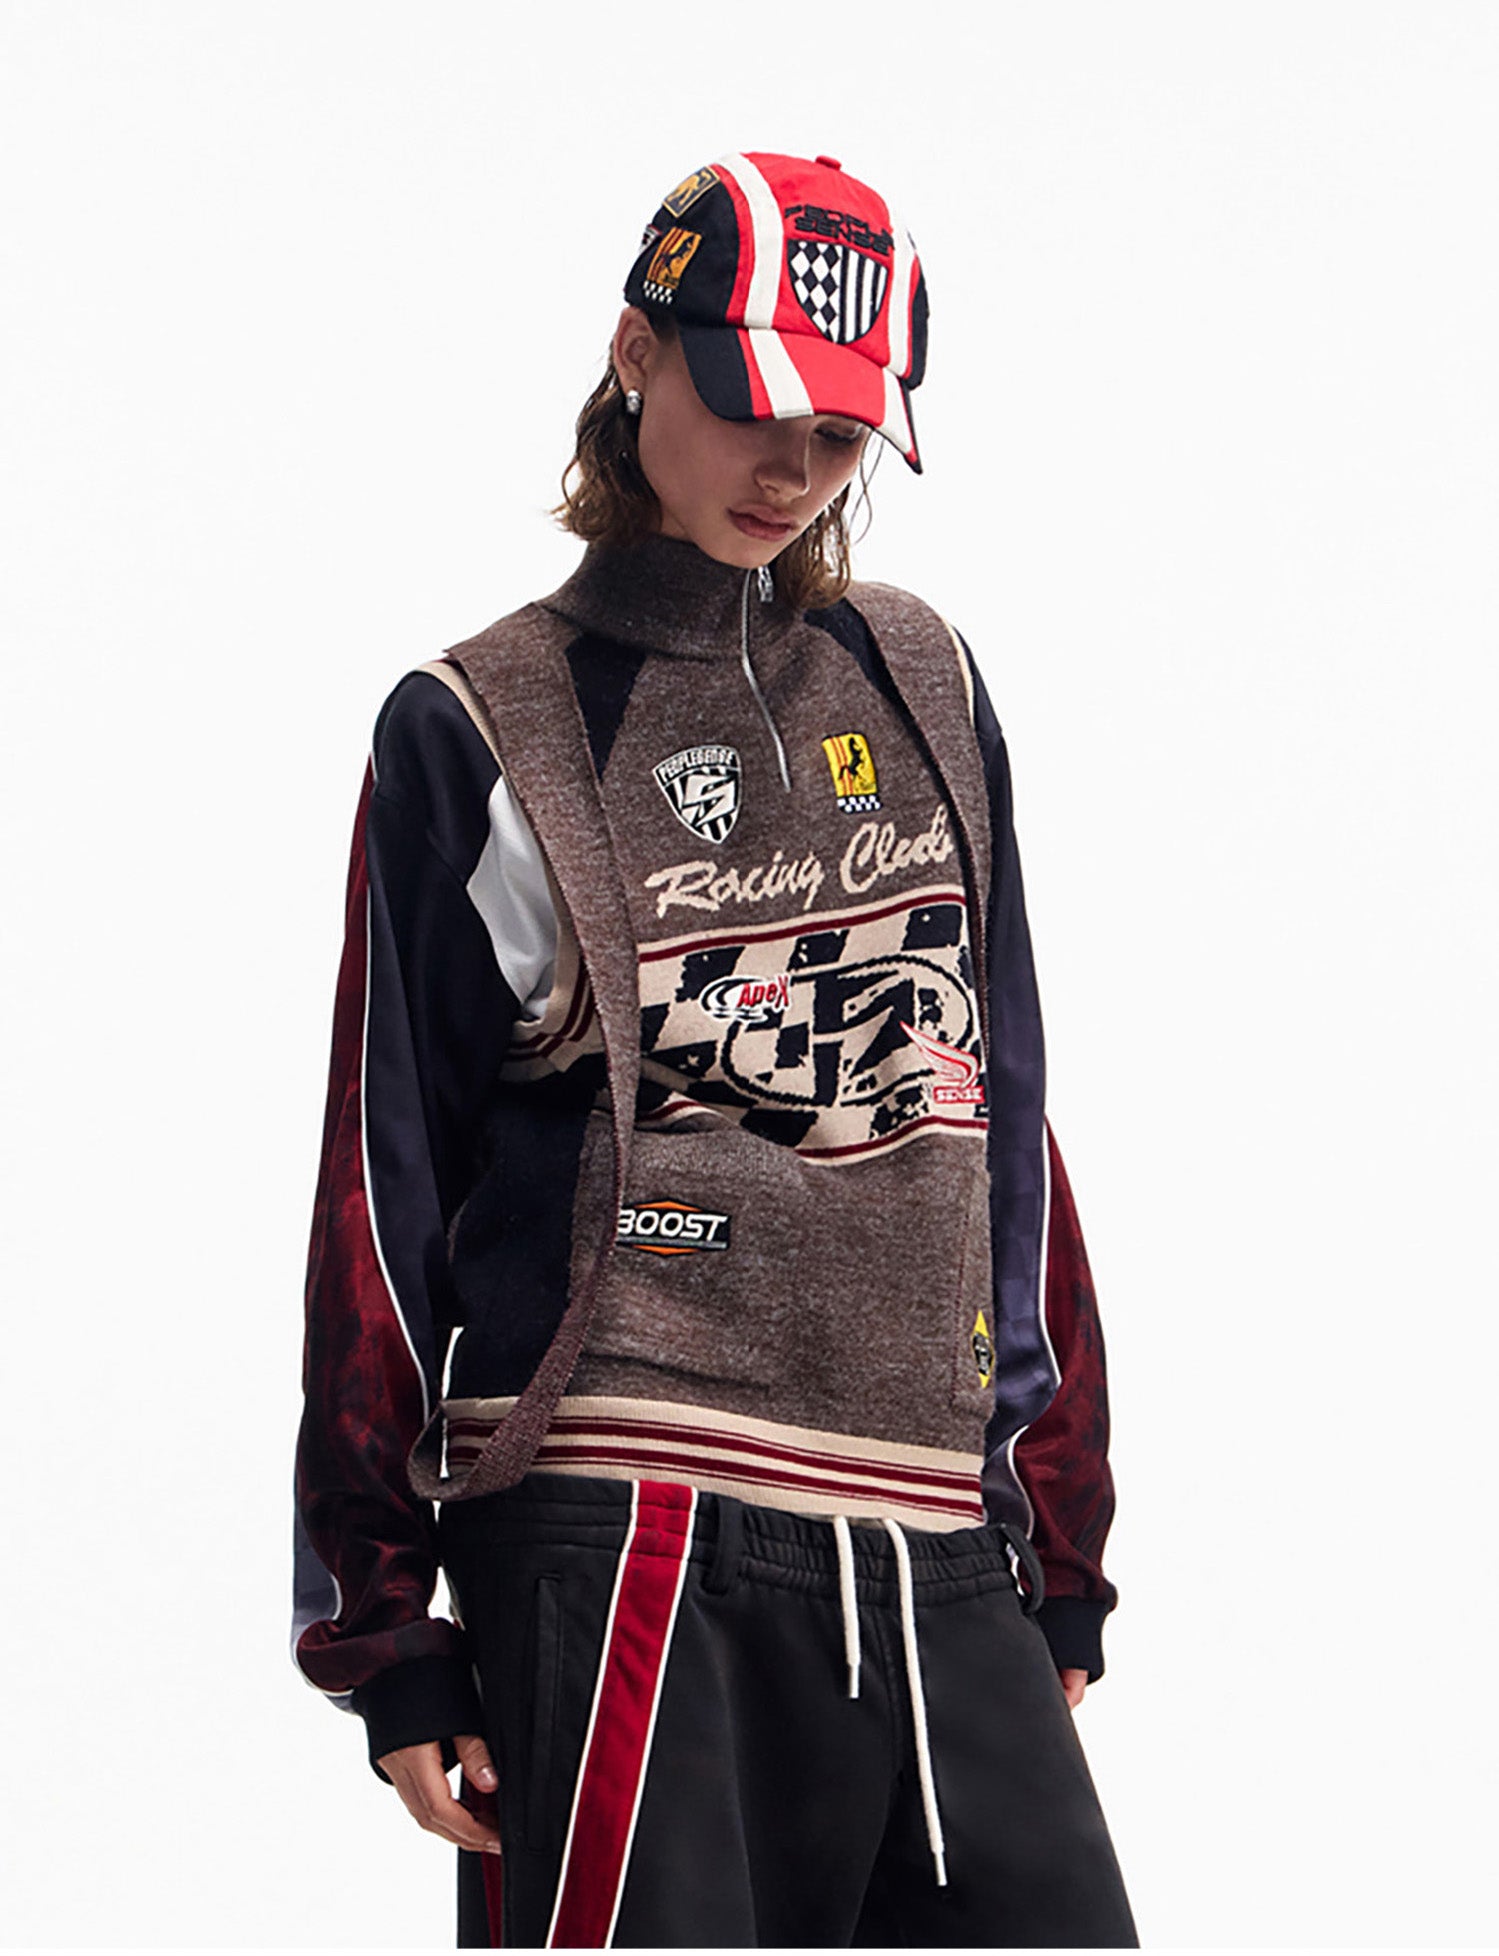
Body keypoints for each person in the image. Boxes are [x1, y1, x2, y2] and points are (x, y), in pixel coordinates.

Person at [292, 149, 1139, 1949]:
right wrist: (384, 1627)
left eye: (839, 435)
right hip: (622, 1518)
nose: (794, 472)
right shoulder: (479, 725)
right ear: (634, 352)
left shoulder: (922, 679)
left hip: (926, 1527)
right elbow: (385, 1181)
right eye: (756, 409)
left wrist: (1051, 1536)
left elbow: (1002, 1111)